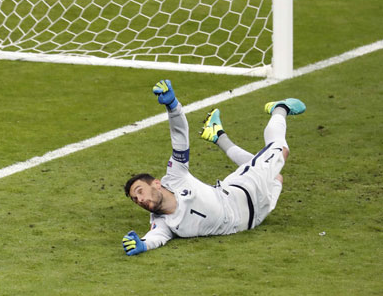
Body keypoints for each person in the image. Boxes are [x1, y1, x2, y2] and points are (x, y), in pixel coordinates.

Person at [121, 79, 305, 256]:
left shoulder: (175, 176)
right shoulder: (163, 223)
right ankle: (218, 135)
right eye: (135, 199)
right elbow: (154, 238)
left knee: (281, 151)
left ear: (156, 183)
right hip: (255, 218)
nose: (140, 200)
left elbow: (179, 138)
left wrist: (173, 107)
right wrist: (142, 245)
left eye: (140, 191)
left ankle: (280, 108)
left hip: (243, 190)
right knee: (276, 177)